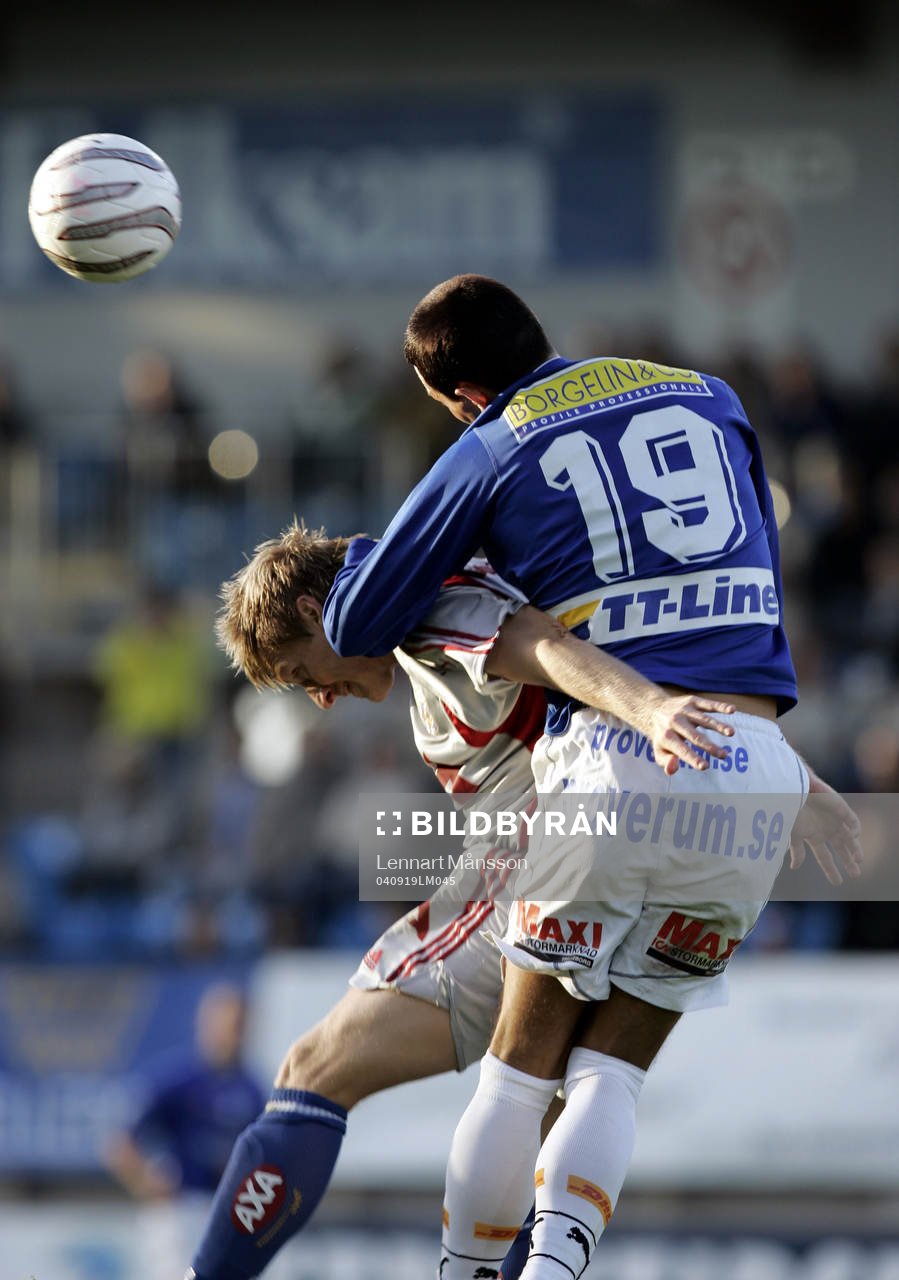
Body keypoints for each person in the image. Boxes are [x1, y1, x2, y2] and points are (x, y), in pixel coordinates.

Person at [320, 276, 861, 1279]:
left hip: (612, 755)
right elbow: (747, 588)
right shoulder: (711, 395)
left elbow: (353, 624)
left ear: (457, 394)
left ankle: (463, 1267)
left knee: (518, 1074)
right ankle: (557, 1266)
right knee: (611, 1069)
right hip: (751, 767)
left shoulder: (492, 438)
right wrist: (784, 763)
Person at [185, 519, 739, 1280]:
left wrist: (647, 711)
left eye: (301, 669)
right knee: (553, 1110)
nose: (319, 698)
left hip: (544, 857)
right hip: (666, 840)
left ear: (319, 613)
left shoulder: (434, 613)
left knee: (315, 1069)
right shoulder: (442, 600)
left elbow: (542, 647)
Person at [107, 985, 264, 1280]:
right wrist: (146, 1183)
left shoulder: (252, 1088)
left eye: (240, 1023)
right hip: (182, 1210)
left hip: (228, 1212)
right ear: (206, 1022)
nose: (234, 1031)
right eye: (228, 1022)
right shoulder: (179, 1081)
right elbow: (121, 1143)